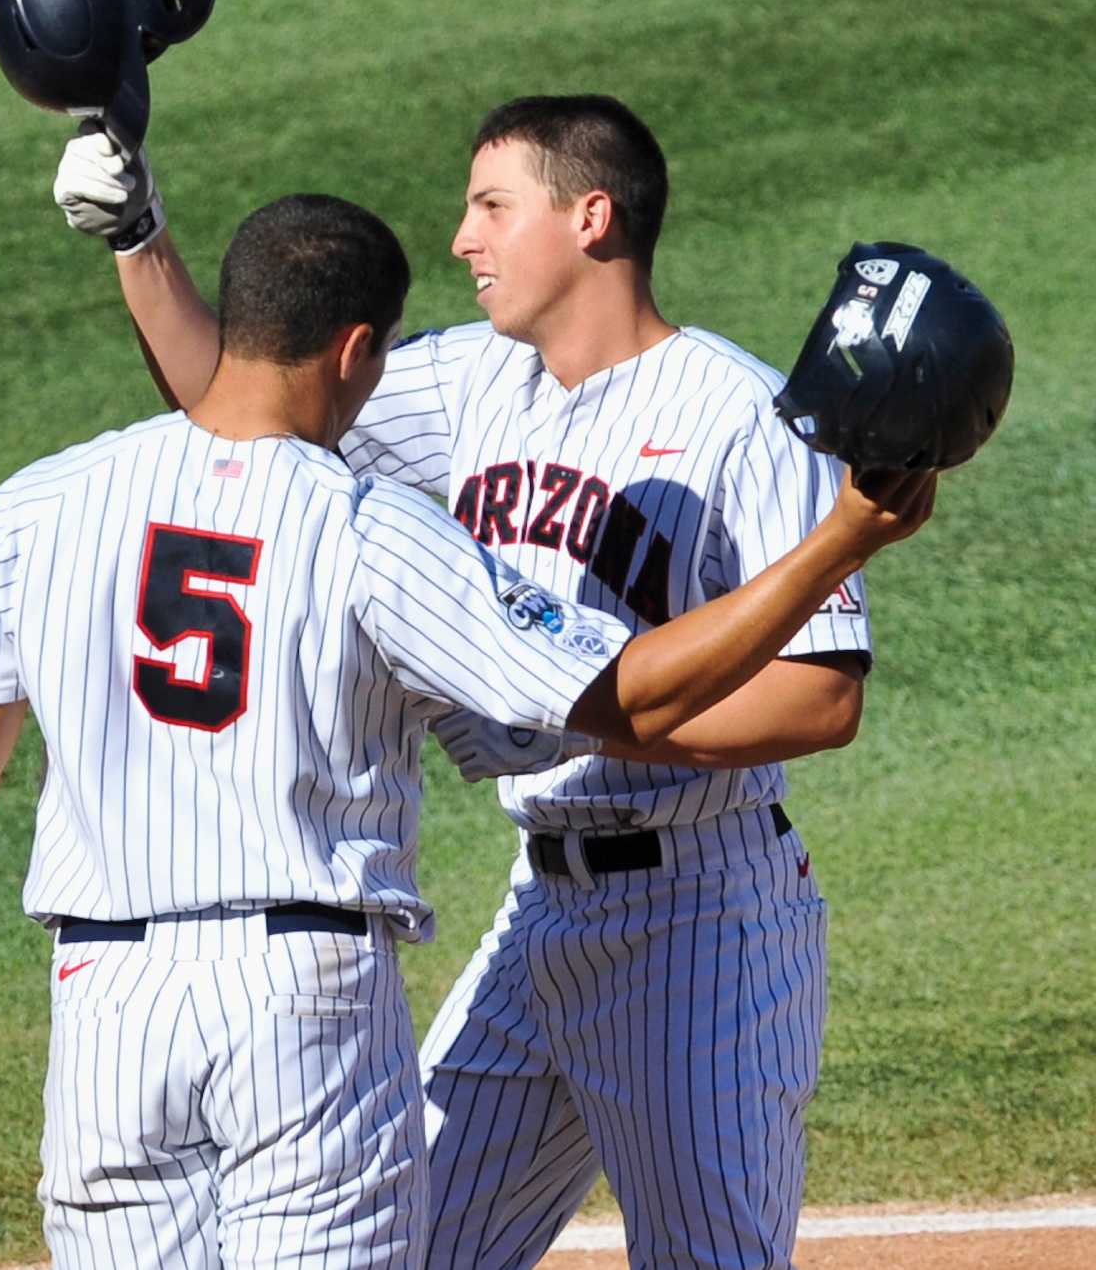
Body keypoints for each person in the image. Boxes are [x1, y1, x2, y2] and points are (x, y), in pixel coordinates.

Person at [0, 193, 933, 1269]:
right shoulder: (370, 528)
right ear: (357, 350)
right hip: (300, 999)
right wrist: (842, 537)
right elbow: (623, 695)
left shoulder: (36, 505)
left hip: (105, 1005)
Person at [53, 95, 878, 1267]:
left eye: (491, 205)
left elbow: (821, 695)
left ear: (589, 216)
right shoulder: (470, 382)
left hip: (699, 914)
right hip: (536, 911)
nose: (460, 239)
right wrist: (140, 239)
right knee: (401, 1244)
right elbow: (245, 398)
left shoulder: (741, 416)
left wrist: (581, 726)